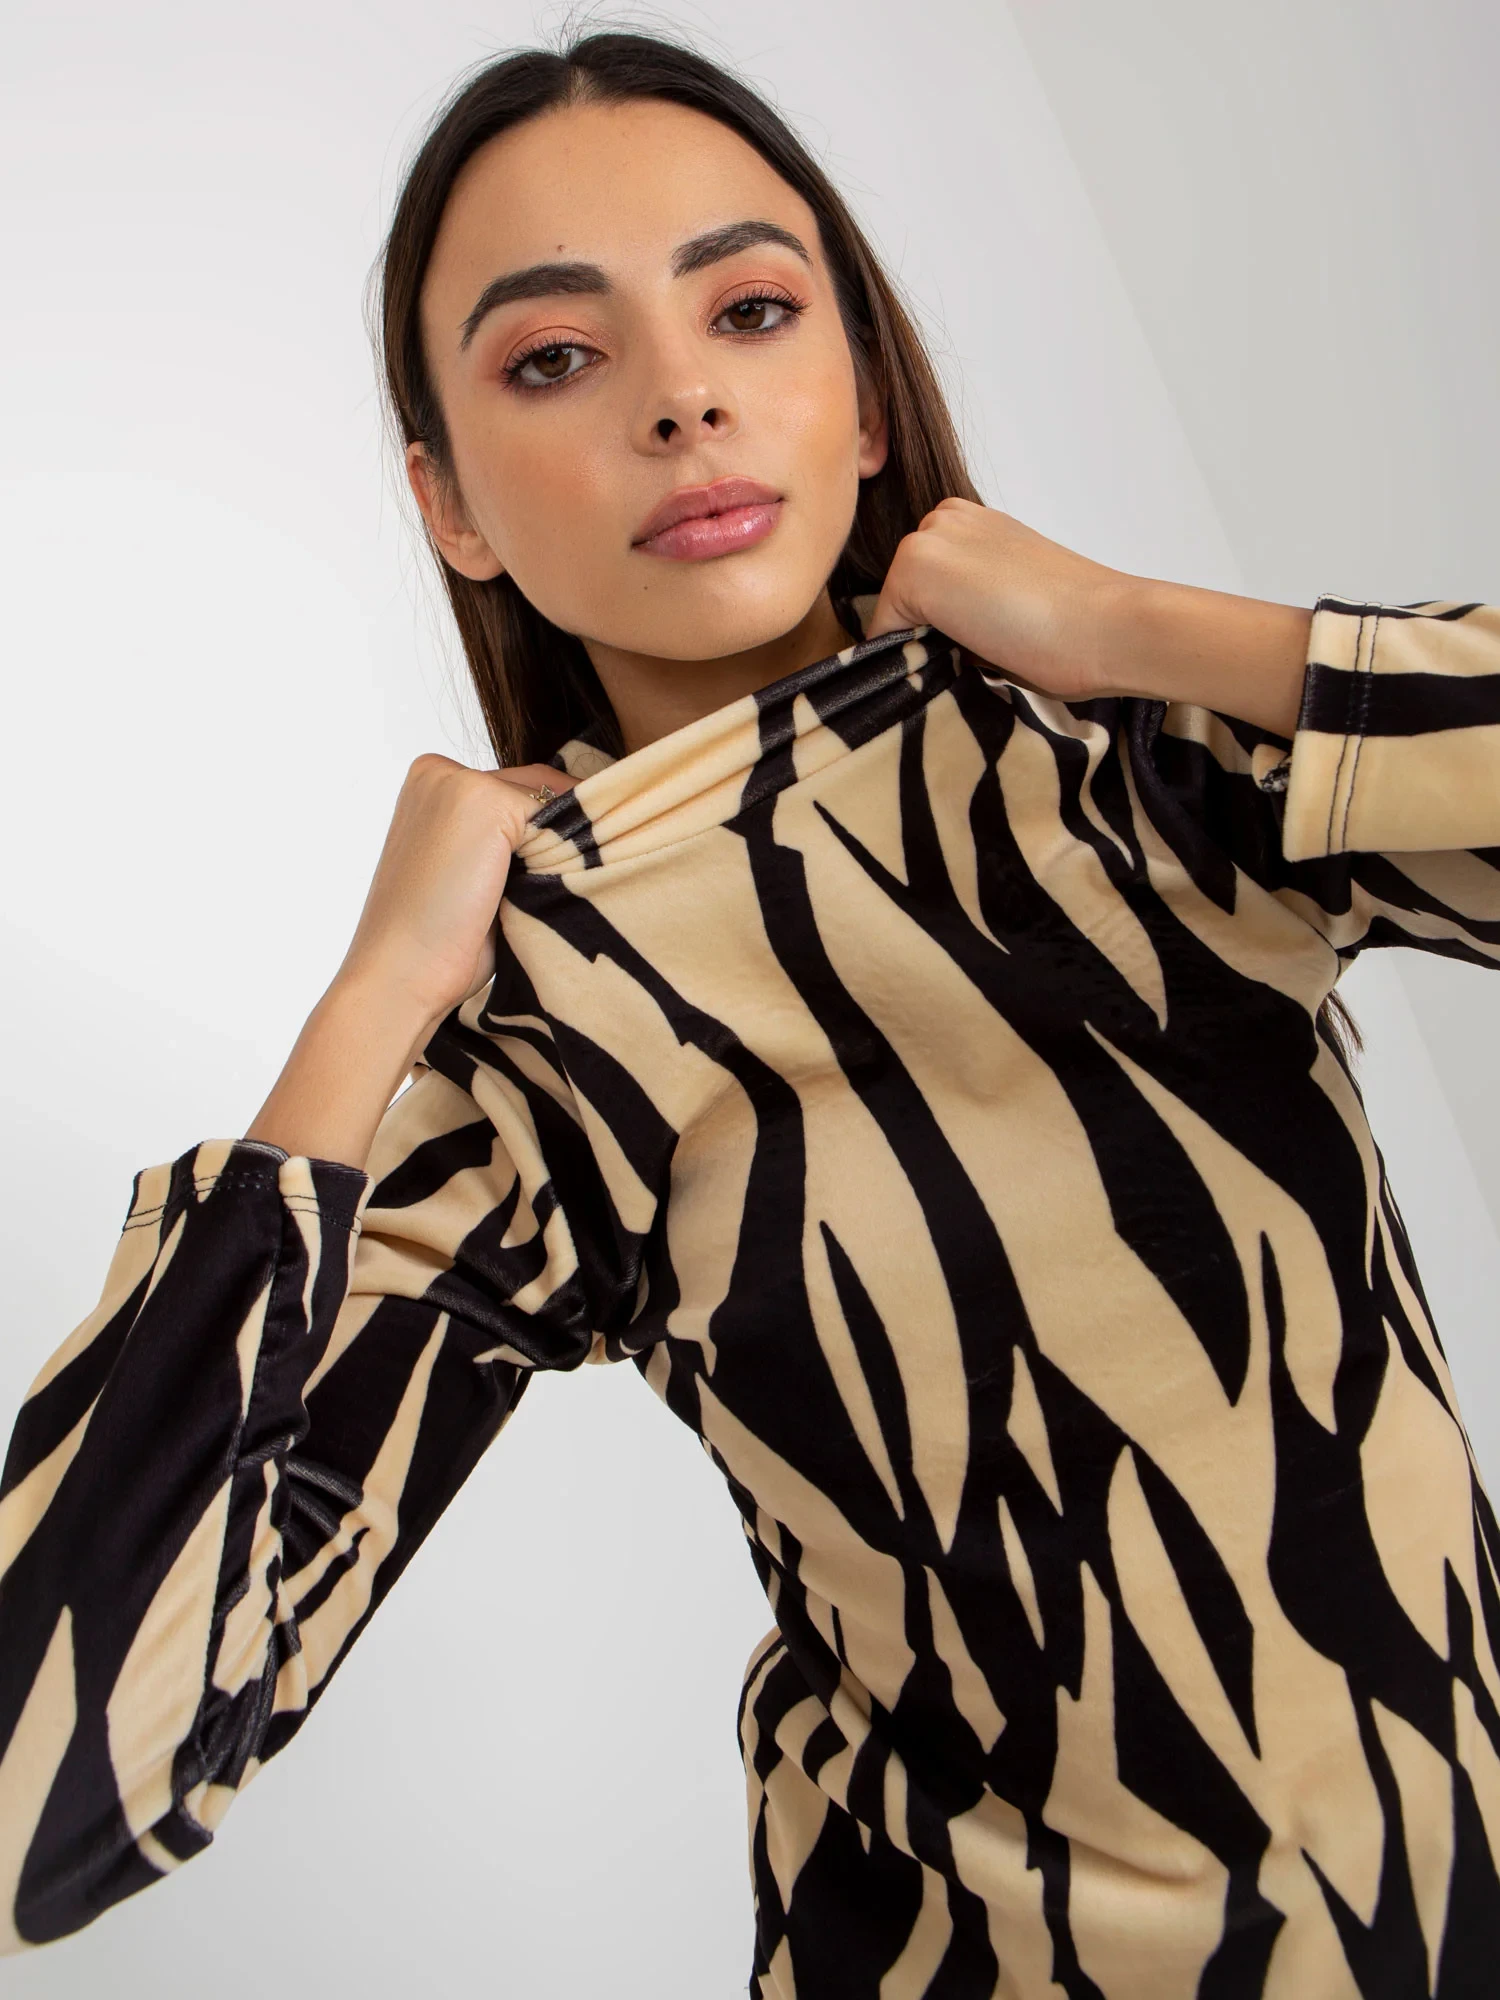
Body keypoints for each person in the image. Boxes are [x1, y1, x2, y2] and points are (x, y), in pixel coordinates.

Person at [2, 27, 1497, 1997]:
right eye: (558, 356)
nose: (682, 395)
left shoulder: (1137, 770)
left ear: (863, 397)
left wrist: (1136, 628)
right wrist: (371, 1007)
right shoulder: (540, 1031)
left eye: (753, 310)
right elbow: (51, 1785)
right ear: (451, 506)